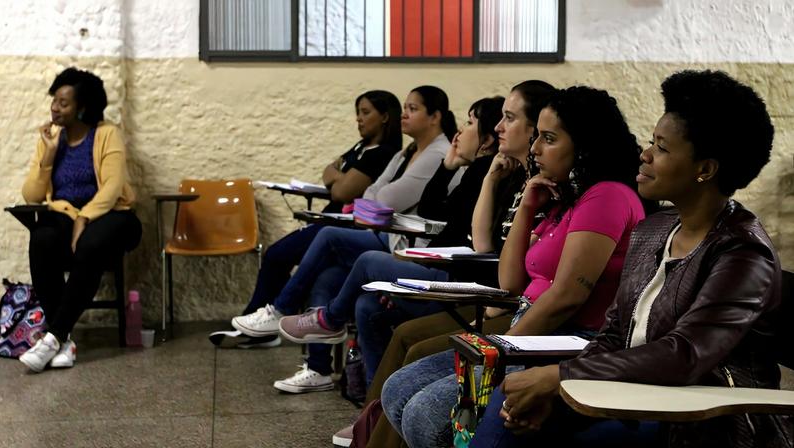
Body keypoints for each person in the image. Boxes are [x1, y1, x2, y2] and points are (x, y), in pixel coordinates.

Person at [469, 70, 792, 448]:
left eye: (662, 148)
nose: (646, 154)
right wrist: (562, 391)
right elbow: (614, 333)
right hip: (627, 395)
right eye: (651, 142)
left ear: (705, 169)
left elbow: (684, 354)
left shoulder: (742, 252)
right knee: (510, 410)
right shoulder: (654, 230)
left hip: (701, 420)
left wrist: (559, 377)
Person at [381, 85, 652, 448]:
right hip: (525, 330)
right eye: (537, 136)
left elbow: (568, 296)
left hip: (562, 341)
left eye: (549, 138)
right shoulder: (565, 199)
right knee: (397, 389)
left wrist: (500, 348)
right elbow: (510, 281)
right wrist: (526, 206)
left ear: (583, 145)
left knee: (426, 415)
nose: (536, 148)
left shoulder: (607, 196)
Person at [349, 80, 556, 448]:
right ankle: (366, 423)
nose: (496, 128)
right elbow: (471, 237)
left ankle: (367, 425)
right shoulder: (507, 176)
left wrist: (486, 177)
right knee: (368, 301)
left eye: (508, 119)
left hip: (494, 301)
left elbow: (491, 257)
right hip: (477, 287)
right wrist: (483, 176)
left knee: (400, 322)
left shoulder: (545, 191)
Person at [231, 86, 459, 390]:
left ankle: (282, 309)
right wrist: (375, 201)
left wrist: (376, 201)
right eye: (405, 106)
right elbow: (369, 194)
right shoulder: (408, 152)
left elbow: (384, 198)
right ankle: (319, 369)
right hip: (385, 236)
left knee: (327, 237)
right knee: (325, 277)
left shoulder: (437, 154)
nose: (405, 114)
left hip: (404, 246)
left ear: (435, 117)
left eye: (413, 108)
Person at [277, 96, 506, 389]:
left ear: (487, 139)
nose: (459, 132)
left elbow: (464, 238)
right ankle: (371, 408)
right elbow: (430, 211)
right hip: (437, 264)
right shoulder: (462, 168)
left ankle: (327, 319)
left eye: (470, 123)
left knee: (364, 258)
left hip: (456, 279)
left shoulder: (489, 175)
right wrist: (448, 167)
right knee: (365, 304)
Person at [225, 90, 402, 347]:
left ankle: (269, 318)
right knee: (284, 260)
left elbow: (341, 189)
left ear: (385, 116)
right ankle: (263, 324)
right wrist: (338, 175)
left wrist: (338, 175)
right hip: (329, 218)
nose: (359, 120)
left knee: (279, 255)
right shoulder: (361, 147)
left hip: (342, 225)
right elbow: (327, 172)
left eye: (365, 113)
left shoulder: (384, 154)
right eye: (357, 113)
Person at [19, 67, 142, 372]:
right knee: (42, 238)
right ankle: (65, 339)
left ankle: (54, 336)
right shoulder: (51, 140)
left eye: (63, 102)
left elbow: (113, 188)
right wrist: (47, 157)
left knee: (89, 244)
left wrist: (84, 217)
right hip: (68, 217)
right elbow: (32, 196)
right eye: (54, 101)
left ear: (82, 108)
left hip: (114, 216)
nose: (55, 108)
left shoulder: (106, 134)